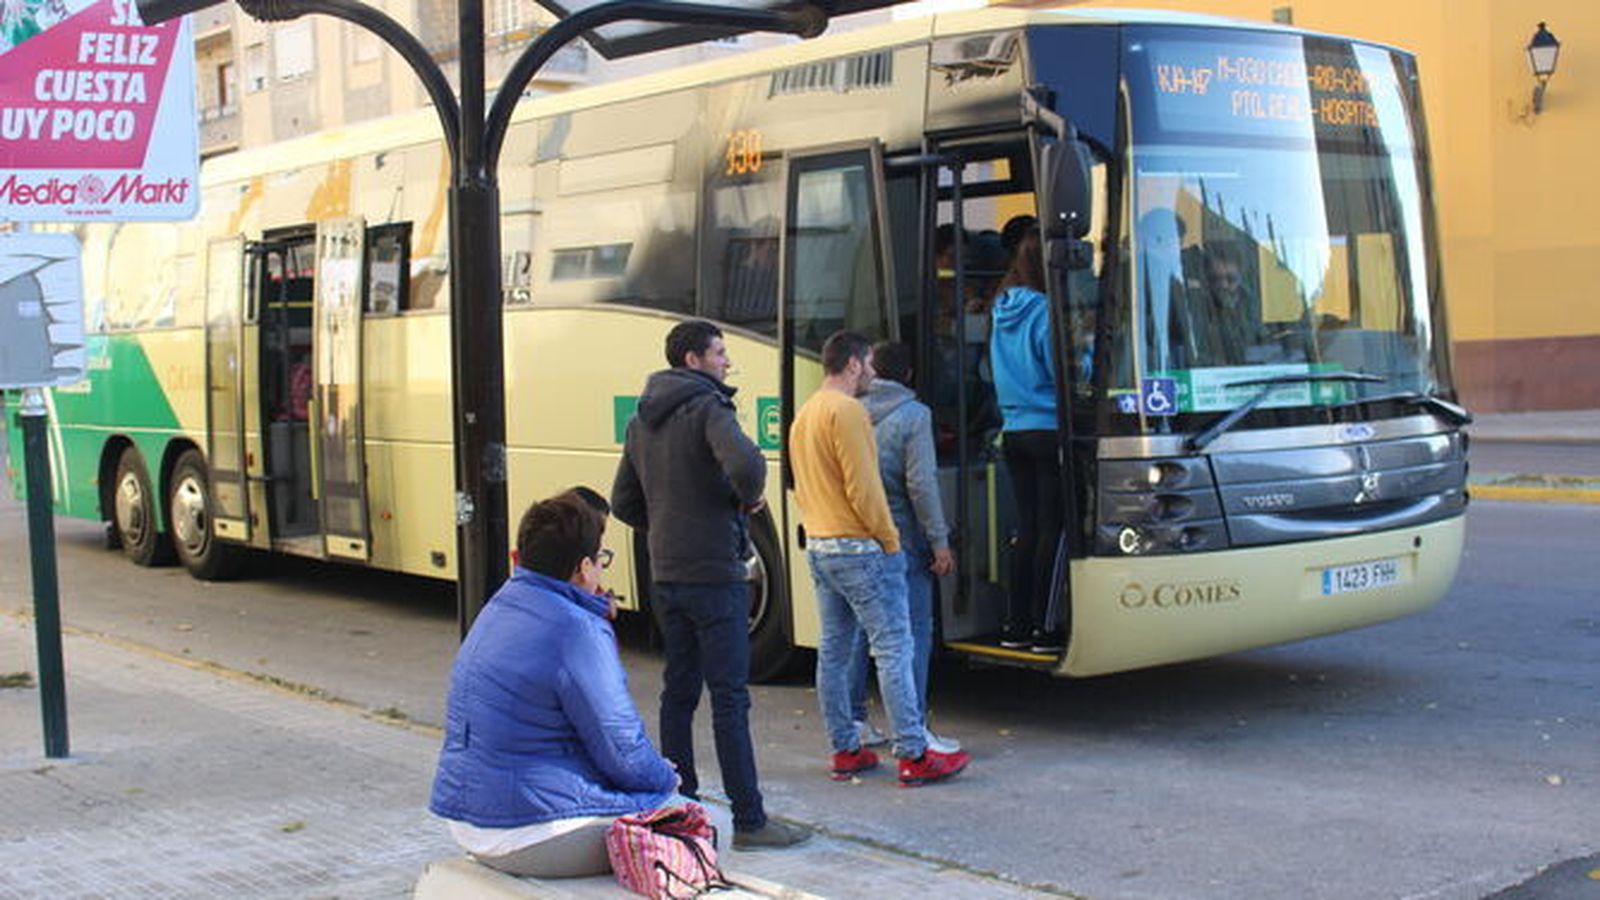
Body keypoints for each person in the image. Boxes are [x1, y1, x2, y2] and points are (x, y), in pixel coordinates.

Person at [611, 320, 810, 850]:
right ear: (693, 359)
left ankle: (682, 808)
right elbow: (747, 463)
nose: (726, 362)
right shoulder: (708, 408)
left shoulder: (642, 419)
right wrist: (743, 500)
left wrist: (670, 525)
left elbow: (624, 502)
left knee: (679, 692)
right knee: (729, 698)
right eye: (720, 352)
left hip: (667, 575)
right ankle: (750, 820)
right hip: (716, 576)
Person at [429, 490, 678, 878]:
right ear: (583, 568)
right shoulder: (575, 629)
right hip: (528, 829)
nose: (601, 571)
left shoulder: (499, 606)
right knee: (702, 820)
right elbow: (621, 745)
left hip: (466, 818)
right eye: (601, 560)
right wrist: (668, 778)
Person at [789, 330, 971, 788]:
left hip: (822, 545)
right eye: (868, 363)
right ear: (852, 364)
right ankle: (913, 752)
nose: (872, 372)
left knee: (834, 650)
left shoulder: (805, 413)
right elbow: (863, 488)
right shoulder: (847, 411)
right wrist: (890, 541)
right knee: (895, 647)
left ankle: (846, 749)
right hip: (862, 547)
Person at [847, 341, 959, 754]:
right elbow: (921, 484)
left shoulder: (848, 410)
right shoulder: (914, 415)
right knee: (913, 632)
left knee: (860, 629)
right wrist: (939, 541)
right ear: (908, 375)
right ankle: (913, 727)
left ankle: (855, 722)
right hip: (901, 539)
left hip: (856, 535)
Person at [988, 225, 1066, 654]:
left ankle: (1015, 625)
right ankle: (1045, 628)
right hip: (1048, 427)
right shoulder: (1045, 312)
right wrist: (1086, 359)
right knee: (1053, 531)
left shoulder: (1003, 309)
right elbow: (1061, 376)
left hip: (1013, 430)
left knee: (1028, 528)